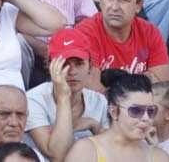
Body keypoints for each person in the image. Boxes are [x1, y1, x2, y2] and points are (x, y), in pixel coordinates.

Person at [74, 0, 169, 83]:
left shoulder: (149, 32)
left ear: (138, 5)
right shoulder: (83, 34)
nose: (114, 7)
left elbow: (165, 87)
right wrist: (146, 79)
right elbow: (94, 93)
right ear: (100, 1)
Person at [25, 28, 107, 162]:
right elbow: (58, 155)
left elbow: (113, 150)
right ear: (50, 66)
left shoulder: (99, 101)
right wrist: (64, 97)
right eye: (64, 64)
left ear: (90, 67)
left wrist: (95, 126)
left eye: (79, 63)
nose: (72, 72)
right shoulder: (34, 100)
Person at [61, 71, 169, 162]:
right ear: (114, 111)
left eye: (151, 111)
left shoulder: (158, 157)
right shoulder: (86, 152)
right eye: (136, 111)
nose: (146, 118)